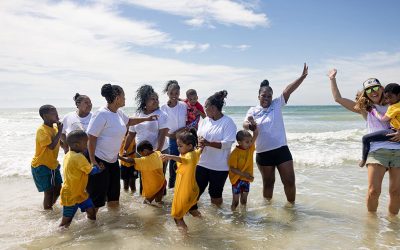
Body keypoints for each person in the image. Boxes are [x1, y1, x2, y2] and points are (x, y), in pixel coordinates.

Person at [328, 69, 400, 215]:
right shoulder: (366, 109)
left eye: (375, 88)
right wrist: (332, 79)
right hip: (377, 151)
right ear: (365, 93)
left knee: (396, 192)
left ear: (382, 89)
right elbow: (339, 99)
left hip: (398, 150)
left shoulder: (395, 103)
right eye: (368, 90)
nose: (373, 92)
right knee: (373, 191)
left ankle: (392, 229)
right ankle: (371, 225)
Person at [244, 63, 308, 205]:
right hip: (263, 152)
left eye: (269, 95)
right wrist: (249, 125)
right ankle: (268, 212)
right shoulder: (253, 110)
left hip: (281, 150)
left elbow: (288, 90)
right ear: (258, 96)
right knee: (268, 183)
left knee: (289, 181)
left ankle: (291, 208)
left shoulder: (277, 104)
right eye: (263, 95)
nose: (266, 98)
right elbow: (245, 124)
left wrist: (302, 77)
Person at [86, 84, 157, 210]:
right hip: (99, 160)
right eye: (124, 96)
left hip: (113, 161)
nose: (125, 98)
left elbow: (129, 121)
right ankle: (91, 226)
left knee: (114, 198)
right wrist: (93, 161)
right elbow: (91, 138)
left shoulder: (118, 112)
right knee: (97, 199)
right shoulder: (101, 114)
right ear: (117, 97)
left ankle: (113, 226)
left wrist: (147, 119)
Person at [194, 90, 237, 209]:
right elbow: (199, 136)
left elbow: (227, 144)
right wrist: (200, 143)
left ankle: (217, 219)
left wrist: (208, 143)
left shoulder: (228, 122)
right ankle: (193, 214)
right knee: (195, 191)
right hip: (202, 163)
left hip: (219, 166)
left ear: (213, 108)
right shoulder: (206, 121)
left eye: (205, 107)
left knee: (215, 195)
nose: (204, 109)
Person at [124, 85, 169, 193]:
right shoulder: (137, 114)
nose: (156, 101)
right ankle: (145, 204)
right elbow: (131, 134)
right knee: (144, 178)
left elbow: (162, 134)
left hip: (159, 151)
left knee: (159, 179)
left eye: (157, 99)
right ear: (145, 101)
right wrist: (125, 150)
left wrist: (157, 151)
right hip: (141, 153)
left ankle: (160, 205)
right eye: (152, 99)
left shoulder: (161, 114)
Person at [59, 130, 104, 228]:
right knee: (66, 221)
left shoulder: (68, 154)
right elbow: (91, 171)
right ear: (76, 145)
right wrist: (99, 168)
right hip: (70, 194)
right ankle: (60, 238)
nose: (87, 145)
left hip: (79, 192)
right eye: (85, 143)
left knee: (91, 210)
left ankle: (93, 229)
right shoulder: (79, 157)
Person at [161, 129, 202, 230]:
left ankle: (185, 239)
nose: (178, 148)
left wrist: (170, 156)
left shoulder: (190, 155)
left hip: (186, 191)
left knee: (177, 216)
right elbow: (199, 150)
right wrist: (202, 146)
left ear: (189, 146)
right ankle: (204, 226)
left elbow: (183, 160)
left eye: (180, 146)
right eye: (178, 145)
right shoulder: (194, 152)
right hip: (192, 189)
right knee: (193, 210)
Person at [359, 83, 400, 167]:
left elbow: (383, 119)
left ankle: (363, 159)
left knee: (365, 138)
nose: (388, 100)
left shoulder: (394, 107)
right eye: (386, 98)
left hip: (394, 132)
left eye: (390, 97)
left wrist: (373, 110)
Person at [31, 105, 63, 210]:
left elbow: (60, 143)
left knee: (58, 188)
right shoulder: (42, 130)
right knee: (48, 191)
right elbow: (51, 146)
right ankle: (48, 211)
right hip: (41, 165)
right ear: (45, 116)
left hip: (53, 164)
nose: (57, 115)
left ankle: (49, 207)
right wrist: (59, 131)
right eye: (54, 113)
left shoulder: (54, 128)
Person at [120, 140, 166, 206]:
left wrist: (118, 157)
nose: (141, 155)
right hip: (162, 182)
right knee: (158, 203)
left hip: (155, 187)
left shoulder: (146, 160)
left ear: (145, 151)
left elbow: (130, 160)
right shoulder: (158, 153)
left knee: (146, 204)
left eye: (141, 153)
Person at [160, 80, 187, 188]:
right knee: (173, 164)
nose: (174, 96)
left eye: (176, 93)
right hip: (171, 139)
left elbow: (188, 122)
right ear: (167, 93)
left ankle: (183, 187)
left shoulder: (183, 105)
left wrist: (179, 132)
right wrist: (171, 135)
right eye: (171, 93)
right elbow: (161, 127)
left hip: (185, 138)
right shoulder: (163, 107)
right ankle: (172, 188)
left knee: (185, 162)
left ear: (179, 93)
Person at [228, 125, 258, 211]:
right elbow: (232, 169)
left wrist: (253, 124)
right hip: (236, 180)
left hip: (246, 179)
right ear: (240, 142)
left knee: (244, 201)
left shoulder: (250, 149)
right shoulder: (234, 153)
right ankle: (234, 216)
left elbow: (256, 134)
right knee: (235, 201)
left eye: (250, 141)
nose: (250, 144)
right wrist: (244, 174)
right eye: (247, 142)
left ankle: (243, 216)